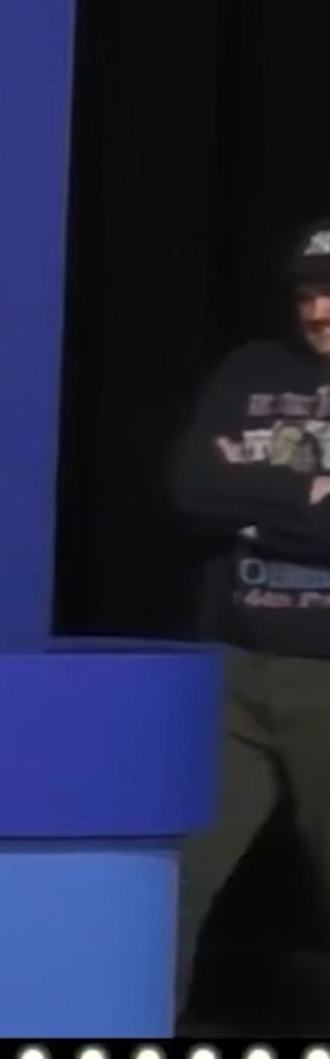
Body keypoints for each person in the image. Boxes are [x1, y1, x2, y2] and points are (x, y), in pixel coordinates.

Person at [171, 219, 330, 1008]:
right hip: (230, 675)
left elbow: (228, 495)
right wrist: (301, 498)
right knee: (174, 886)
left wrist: (253, 508)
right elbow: (190, 490)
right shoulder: (249, 369)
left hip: (324, 679)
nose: (317, 310)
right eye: (307, 293)